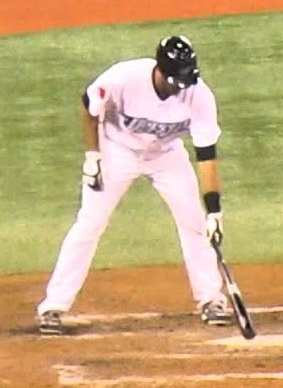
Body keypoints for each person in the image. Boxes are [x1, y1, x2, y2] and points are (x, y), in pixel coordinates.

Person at [36, 36, 232, 335]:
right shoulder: (124, 78)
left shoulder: (199, 95)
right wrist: (93, 155)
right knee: (89, 224)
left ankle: (211, 300)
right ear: (162, 72)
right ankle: (53, 306)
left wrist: (214, 212)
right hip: (118, 151)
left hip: (166, 155)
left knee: (194, 223)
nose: (184, 86)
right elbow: (89, 106)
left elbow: (207, 155)